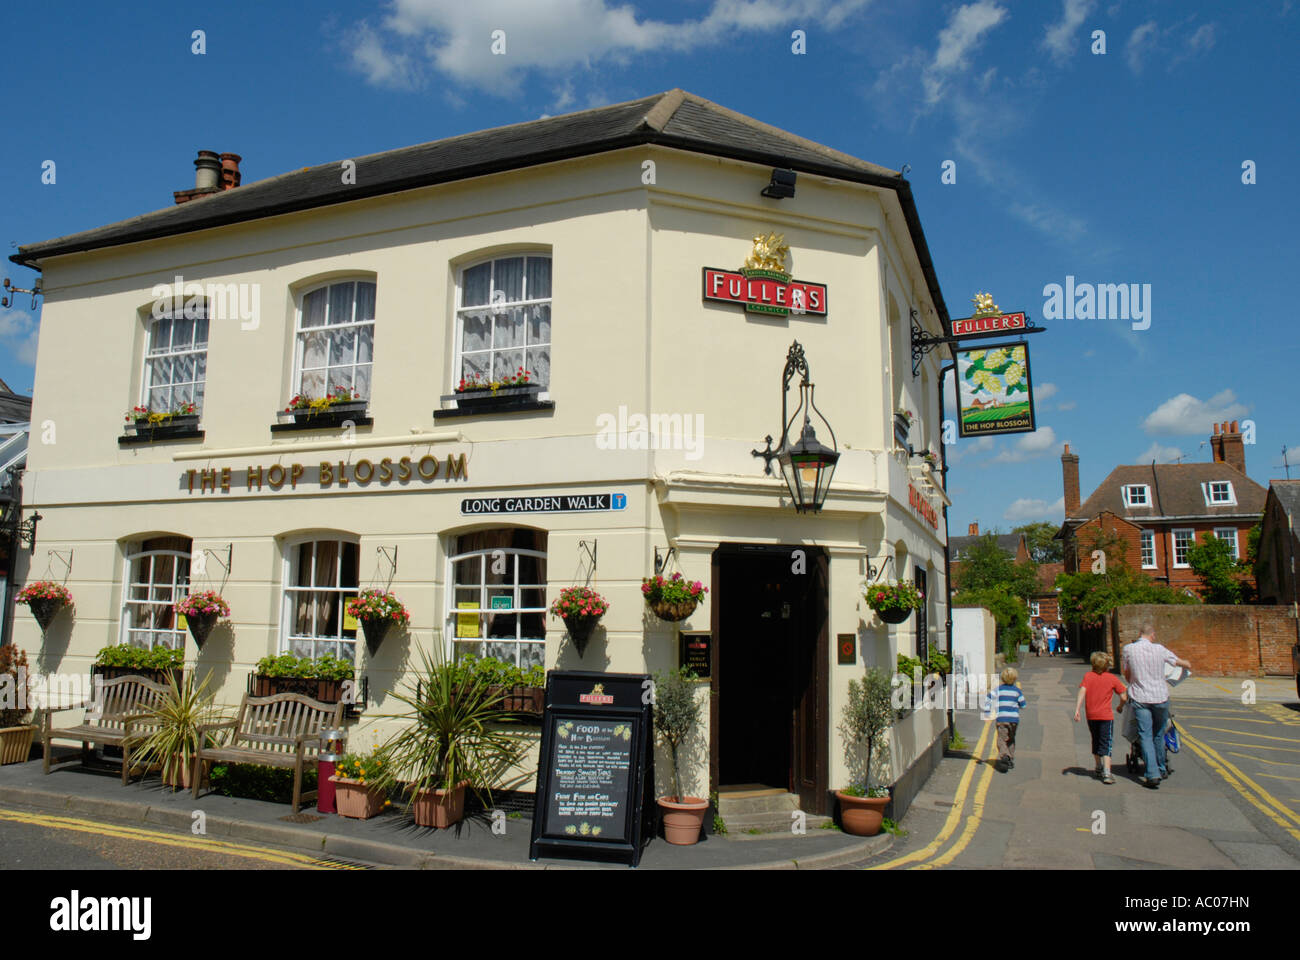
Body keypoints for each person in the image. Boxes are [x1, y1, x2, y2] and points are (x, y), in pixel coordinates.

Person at [1120, 623, 1192, 789]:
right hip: (1160, 697)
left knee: (1145, 736)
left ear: (1140, 634)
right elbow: (1178, 662)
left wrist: (1134, 680)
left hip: (1141, 698)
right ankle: (1161, 768)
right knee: (1159, 734)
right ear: (1152, 635)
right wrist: (1187, 664)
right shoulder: (1160, 649)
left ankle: (1152, 775)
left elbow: (1127, 673)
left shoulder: (1129, 649)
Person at [1074, 651, 1128, 784]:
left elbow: (1082, 691)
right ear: (1106, 665)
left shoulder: (1088, 676)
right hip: (1105, 716)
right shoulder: (1112, 678)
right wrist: (1120, 706)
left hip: (1091, 715)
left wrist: (1077, 709)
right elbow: (1124, 696)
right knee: (1106, 742)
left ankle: (1098, 766)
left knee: (1096, 739)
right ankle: (1107, 772)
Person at [985, 667, 1027, 773]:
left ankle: (1004, 756)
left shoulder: (999, 690)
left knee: (1001, 739)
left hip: (1002, 719)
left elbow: (988, 698)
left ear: (1002, 678)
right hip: (1014, 720)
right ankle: (1010, 758)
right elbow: (1023, 705)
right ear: (1015, 678)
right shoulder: (1017, 691)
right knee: (1011, 739)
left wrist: (987, 712)